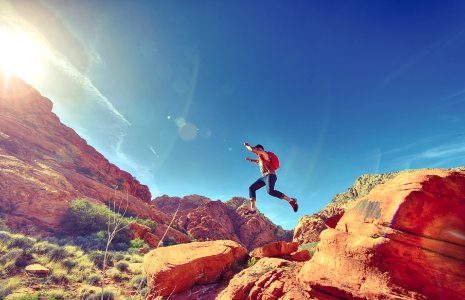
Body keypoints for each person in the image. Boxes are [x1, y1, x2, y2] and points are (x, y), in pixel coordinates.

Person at [243, 142, 298, 215]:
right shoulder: (260, 158)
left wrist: (247, 145)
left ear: (260, 149)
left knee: (270, 191)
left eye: (257, 149)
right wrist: (250, 160)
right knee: (252, 188)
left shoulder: (264, 154)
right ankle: (253, 209)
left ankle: (291, 200)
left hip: (270, 175)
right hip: (264, 177)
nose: (257, 151)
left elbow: (252, 149)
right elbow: (258, 161)